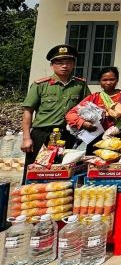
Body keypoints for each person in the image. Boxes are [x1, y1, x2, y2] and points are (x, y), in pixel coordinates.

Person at [21, 44, 90, 173]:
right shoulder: (40, 85)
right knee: (35, 171)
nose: (64, 66)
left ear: (73, 65)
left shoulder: (80, 85)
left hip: (67, 135)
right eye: (60, 63)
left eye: (68, 62)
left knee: (63, 171)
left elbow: (88, 108)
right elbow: (28, 111)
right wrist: (26, 138)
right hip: (42, 134)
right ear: (52, 65)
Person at [65, 66, 121, 146]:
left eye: (112, 79)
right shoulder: (94, 97)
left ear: (117, 80)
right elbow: (70, 114)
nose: (108, 82)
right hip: (96, 138)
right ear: (99, 81)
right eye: (105, 80)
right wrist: (83, 123)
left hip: (119, 137)